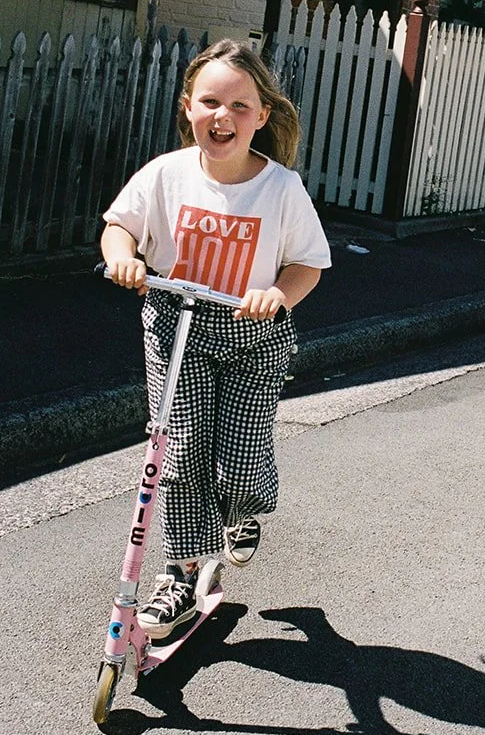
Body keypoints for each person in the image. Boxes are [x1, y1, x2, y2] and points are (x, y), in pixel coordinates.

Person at [101, 39, 331, 637]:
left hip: (252, 334)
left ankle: (243, 510)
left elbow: (307, 264)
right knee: (176, 457)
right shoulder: (166, 174)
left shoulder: (280, 189)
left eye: (238, 106)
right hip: (175, 327)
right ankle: (178, 574)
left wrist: (277, 294)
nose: (221, 116)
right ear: (188, 108)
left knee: (243, 460)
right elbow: (118, 228)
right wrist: (125, 258)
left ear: (261, 116)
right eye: (209, 102)